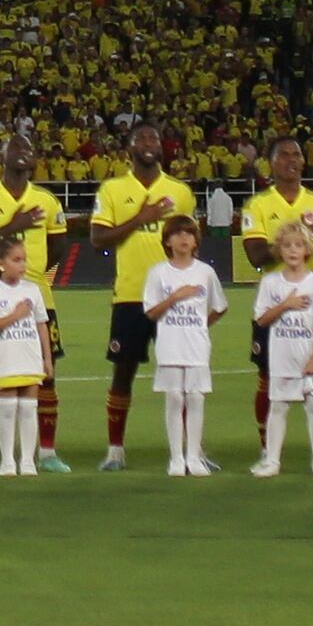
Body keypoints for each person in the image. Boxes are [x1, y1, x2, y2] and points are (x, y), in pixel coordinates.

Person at [85, 119, 197, 472]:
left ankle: (187, 451)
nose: (149, 142)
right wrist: (142, 217)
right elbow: (98, 239)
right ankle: (115, 449)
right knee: (124, 371)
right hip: (131, 294)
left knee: (182, 376)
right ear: (130, 148)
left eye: (155, 137)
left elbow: (191, 240)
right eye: (142, 138)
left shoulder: (179, 191)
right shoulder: (113, 190)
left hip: (175, 296)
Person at [0, 124, 64, 473]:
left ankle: (46, 452)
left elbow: (57, 248)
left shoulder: (47, 200)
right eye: (15, 146)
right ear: (1, 157)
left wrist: (33, 279)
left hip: (38, 300)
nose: (23, 151)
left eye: (29, 147)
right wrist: (12, 226)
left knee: (44, 375)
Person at [137, 216, 223, 476]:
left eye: (189, 233)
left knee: (195, 397)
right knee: (174, 397)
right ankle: (176, 458)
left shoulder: (205, 272)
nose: (184, 239)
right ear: (167, 240)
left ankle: (194, 457)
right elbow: (151, 312)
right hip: (169, 343)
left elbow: (219, 307)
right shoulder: (158, 272)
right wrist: (175, 297)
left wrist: (200, 325)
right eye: (177, 234)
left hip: (196, 345)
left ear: (196, 240)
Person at [247, 221, 313, 479]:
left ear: (308, 249)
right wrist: (286, 305)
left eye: (298, 245)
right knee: (279, 406)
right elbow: (261, 319)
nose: (293, 250)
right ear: (280, 251)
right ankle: (272, 461)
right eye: (287, 245)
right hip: (281, 356)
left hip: (307, 357)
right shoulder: (271, 282)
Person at [0, 252, 55, 477]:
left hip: (29, 356)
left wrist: (47, 358)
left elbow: (41, 325)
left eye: (24, 260)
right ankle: (8, 461)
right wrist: (16, 315)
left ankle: (28, 461)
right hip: (4, 356)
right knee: (8, 409)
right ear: (1, 263)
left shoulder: (32, 290)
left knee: (29, 409)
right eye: (16, 260)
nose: (22, 265)